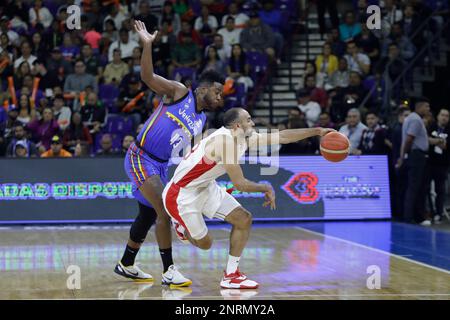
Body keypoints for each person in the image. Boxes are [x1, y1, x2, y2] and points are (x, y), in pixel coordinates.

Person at [162, 107, 334, 288]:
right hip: (182, 194)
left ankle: (230, 275)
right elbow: (240, 184)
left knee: (244, 219)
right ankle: (181, 226)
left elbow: (282, 136)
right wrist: (265, 187)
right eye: (249, 119)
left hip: (206, 185)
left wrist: (317, 131)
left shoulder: (244, 137)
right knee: (205, 244)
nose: (253, 123)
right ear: (237, 125)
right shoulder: (224, 143)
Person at [115, 20, 224, 285]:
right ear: (201, 88)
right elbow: (147, 78)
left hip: (160, 165)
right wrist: (147, 45)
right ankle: (169, 271)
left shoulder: (201, 122)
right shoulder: (179, 92)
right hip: (141, 157)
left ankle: (126, 263)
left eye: (222, 96)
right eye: (217, 91)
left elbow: (195, 157)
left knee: (148, 214)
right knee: (164, 212)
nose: (220, 97)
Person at [396, 97, 431, 225]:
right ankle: (410, 217)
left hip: (412, 155)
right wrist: (403, 155)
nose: (428, 109)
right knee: (414, 187)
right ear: (419, 107)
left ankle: (413, 216)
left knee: (413, 186)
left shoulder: (409, 118)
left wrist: (402, 156)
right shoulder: (416, 119)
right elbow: (409, 139)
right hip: (416, 156)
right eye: (426, 106)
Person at [426, 108, 449, 224]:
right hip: (430, 162)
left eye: (446, 116)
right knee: (427, 188)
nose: (444, 117)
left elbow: (446, 146)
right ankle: (431, 211)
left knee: (441, 190)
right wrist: (439, 141)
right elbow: (426, 140)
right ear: (438, 116)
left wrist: (436, 141)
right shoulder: (431, 127)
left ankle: (439, 213)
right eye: (442, 115)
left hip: (442, 164)